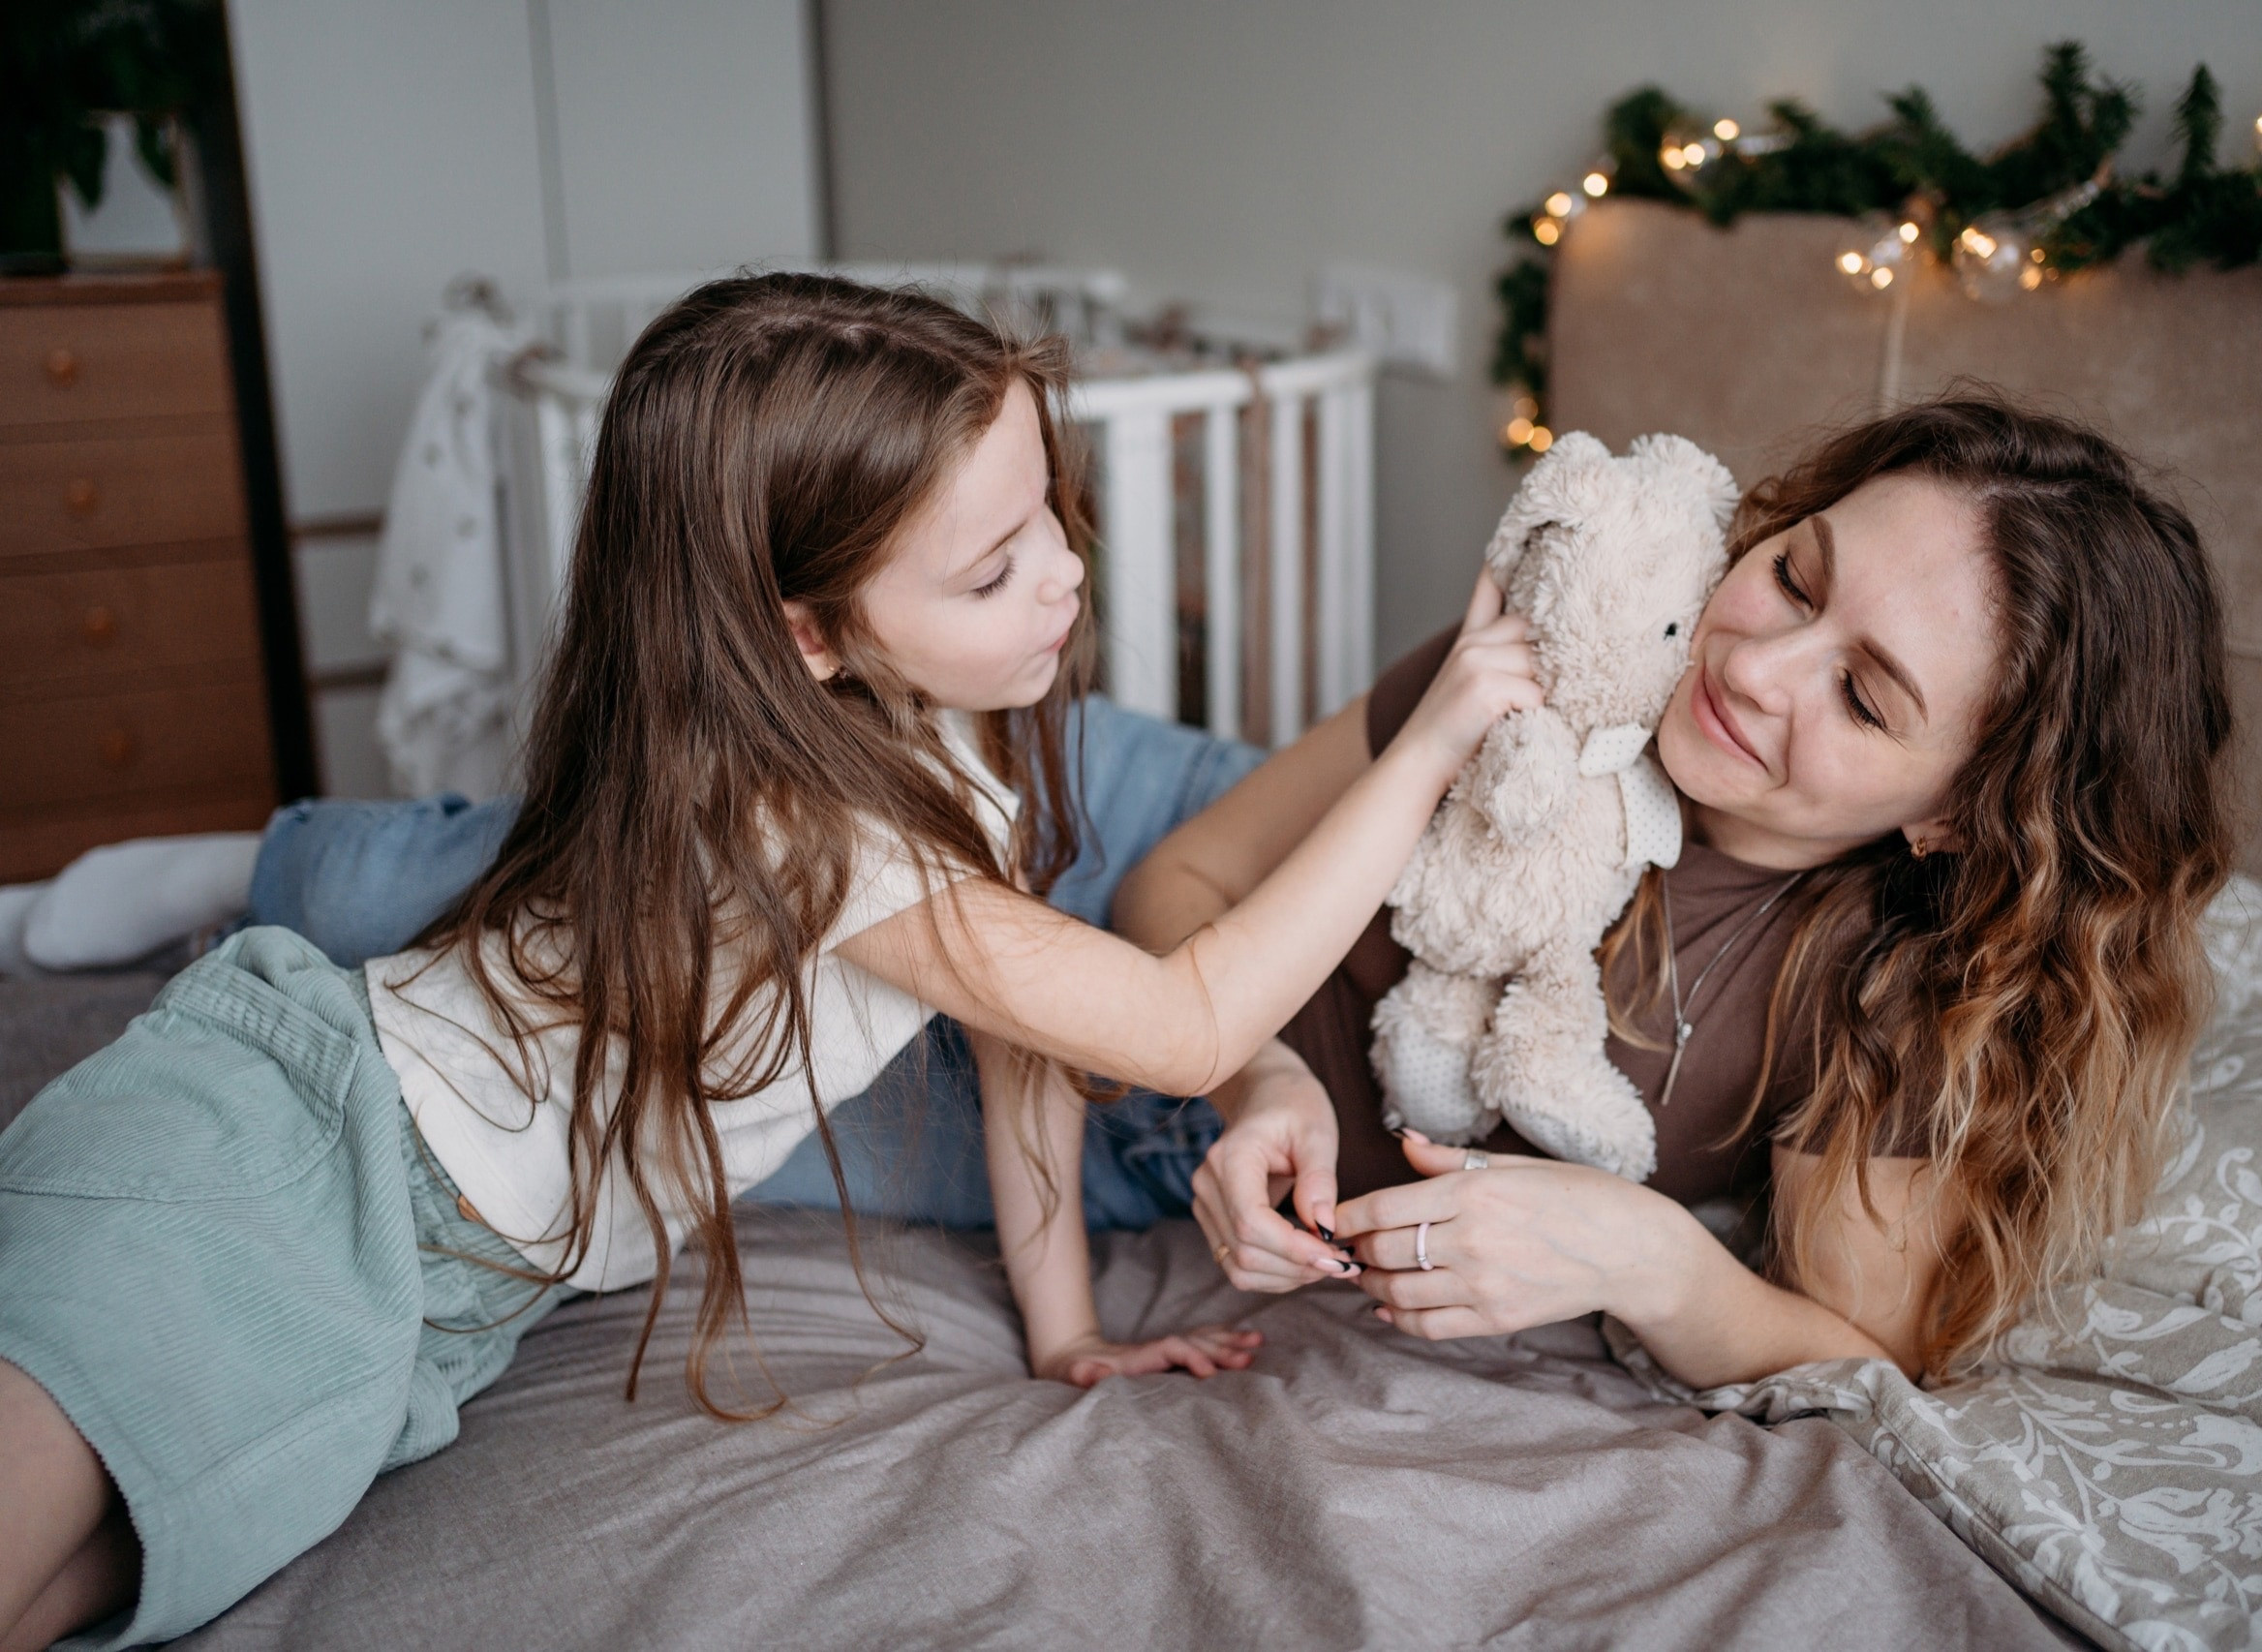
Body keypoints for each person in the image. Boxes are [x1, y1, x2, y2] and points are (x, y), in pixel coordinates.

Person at [0, 273, 1534, 1650]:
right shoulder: (814, 822)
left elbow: (1029, 1068)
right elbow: (1185, 1025)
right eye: (996, 569)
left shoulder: (940, 741)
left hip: (445, 1280)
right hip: (307, 1161)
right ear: (810, 632)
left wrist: (1065, 1331)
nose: (1066, 575)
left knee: (114, 1563)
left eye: (1050, 514)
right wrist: (1431, 736)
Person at [1121, 393, 2234, 1393]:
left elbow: (1856, 1344)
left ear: (1960, 812)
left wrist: (1639, 1253)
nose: (1755, 668)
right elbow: (1175, 874)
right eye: (1794, 578)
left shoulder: (1894, 985)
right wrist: (1252, 1074)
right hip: (1131, 881)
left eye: (1860, 696)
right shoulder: (1576, 645)